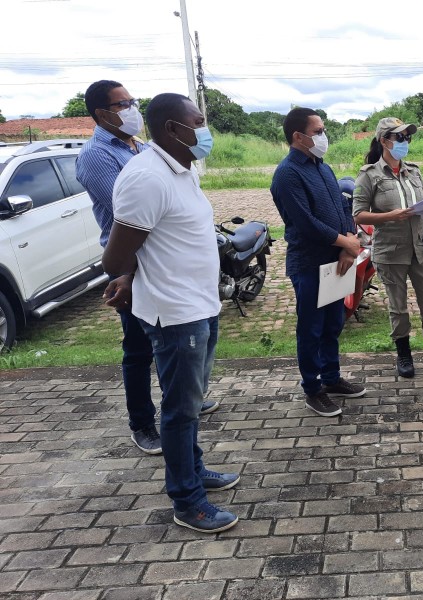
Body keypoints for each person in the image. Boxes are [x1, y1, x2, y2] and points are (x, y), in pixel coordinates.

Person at [102, 93, 239, 533]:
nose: (205, 130)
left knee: (191, 404)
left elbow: (163, 239)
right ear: (172, 130)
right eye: (198, 121)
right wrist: (125, 276)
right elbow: (117, 254)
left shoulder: (181, 169)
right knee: (180, 411)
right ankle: (188, 502)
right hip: (175, 314)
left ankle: (194, 472)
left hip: (199, 304)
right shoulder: (147, 178)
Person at [76, 80, 218, 456]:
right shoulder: (111, 161)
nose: (131, 109)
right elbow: (135, 225)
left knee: (182, 391)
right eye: (122, 105)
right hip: (140, 271)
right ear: (101, 114)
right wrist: (128, 274)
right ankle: (144, 425)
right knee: (141, 354)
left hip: (181, 284)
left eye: (132, 101)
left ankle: (192, 458)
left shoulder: (155, 154)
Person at [352, 117, 423, 378]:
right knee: (398, 306)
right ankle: (403, 355)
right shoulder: (369, 175)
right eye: (400, 137)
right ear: (384, 141)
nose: (405, 142)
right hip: (390, 251)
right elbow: (359, 215)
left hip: (420, 248)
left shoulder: (414, 171)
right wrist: (393, 215)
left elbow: (420, 208)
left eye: (408, 137)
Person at [270, 107, 366, 417]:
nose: (324, 136)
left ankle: (332, 377)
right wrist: (345, 242)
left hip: (337, 260)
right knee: (311, 329)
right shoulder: (287, 174)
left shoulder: (322, 167)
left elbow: (342, 207)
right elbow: (305, 223)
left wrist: (347, 247)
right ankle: (313, 389)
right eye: (318, 131)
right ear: (298, 137)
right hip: (309, 264)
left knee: (333, 323)